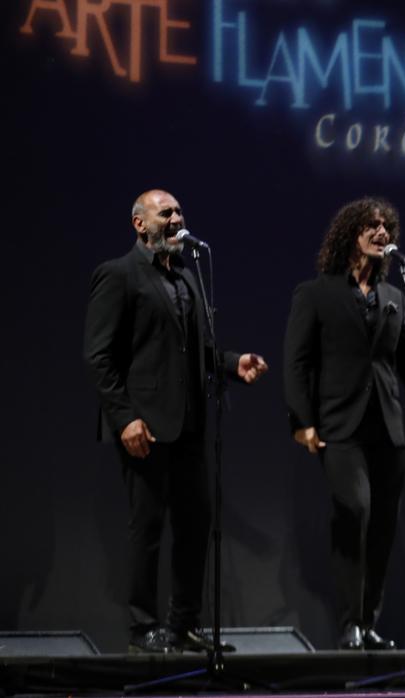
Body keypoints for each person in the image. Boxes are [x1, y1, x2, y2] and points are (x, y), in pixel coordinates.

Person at [84, 189, 269, 654]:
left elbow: (198, 353)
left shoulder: (187, 279)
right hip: (143, 426)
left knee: (195, 522)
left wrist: (232, 363)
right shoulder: (119, 275)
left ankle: (183, 622)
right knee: (146, 528)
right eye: (165, 212)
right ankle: (142, 627)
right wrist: (124, 418)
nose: (176, 218)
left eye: (180, 211)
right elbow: (99, 356)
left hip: (188, 425)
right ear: (139, 224)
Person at [284, 196, 405, 650]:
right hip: (339, 427)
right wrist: (302, 420)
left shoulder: (394, 297)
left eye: (388, 226)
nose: (383, 232)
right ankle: (348, 623)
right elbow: (296, 362)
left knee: (383, 526)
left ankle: (367, 622)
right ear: (350, 234)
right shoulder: (316, 293)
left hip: (388, 427)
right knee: (355, 510)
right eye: (372, 224)